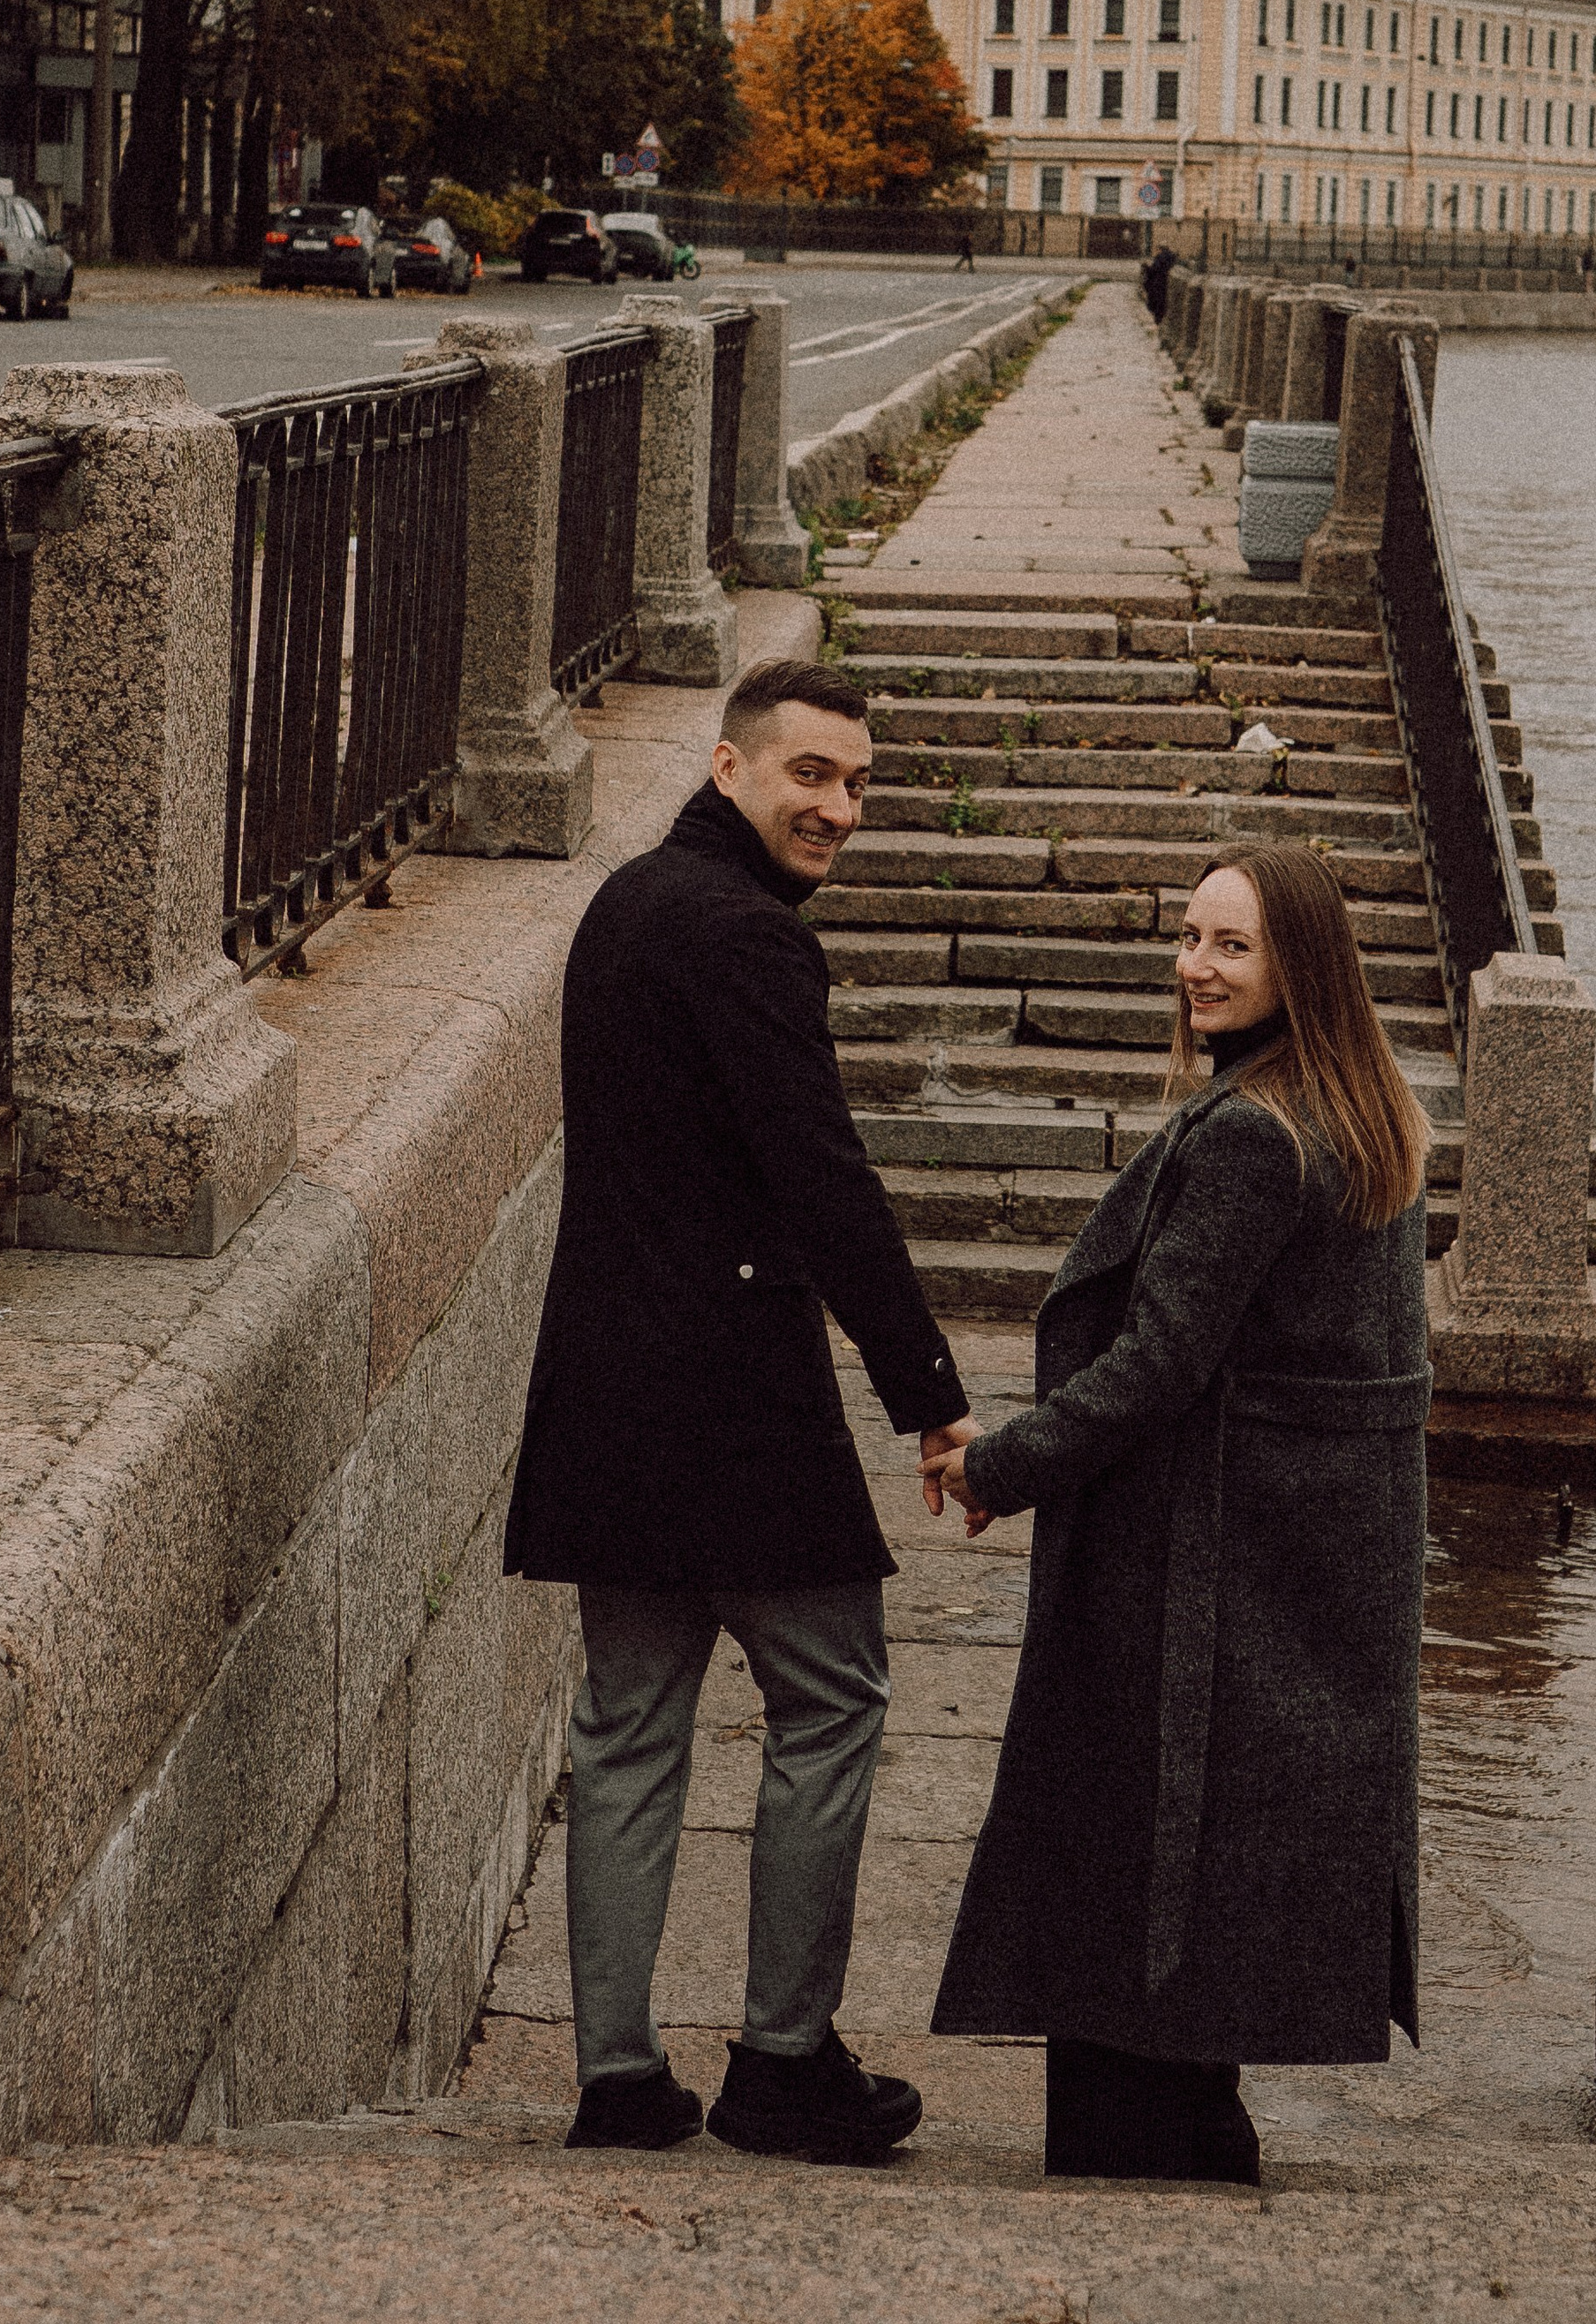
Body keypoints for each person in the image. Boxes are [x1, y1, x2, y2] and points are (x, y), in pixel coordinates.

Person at [503, 659, 978, 2162]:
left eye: (857, 784)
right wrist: (931, 1397)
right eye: (810, 777)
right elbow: (821, 1180)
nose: (838, 807)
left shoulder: (626, 906)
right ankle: (784, 2062)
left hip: (602, 1397)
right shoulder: (752, 942)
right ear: (729, 769)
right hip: (734, 1410)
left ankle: (618, 2079)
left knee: (628, 1733)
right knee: (830, 1702)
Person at [927, 839, 1432, 2183]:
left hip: (1199, 1560)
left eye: (1229, 947)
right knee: (1207, 1880)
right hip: (1292, 1558)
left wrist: (1001, 1465)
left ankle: (1150, 2166)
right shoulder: (1361, 1108)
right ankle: (1193, 2139)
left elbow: (1158, 1361)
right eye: (1190, 937)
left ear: (1298, 969)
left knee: (1140, 1860)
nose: (1193, 968)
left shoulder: (1256, 1139)